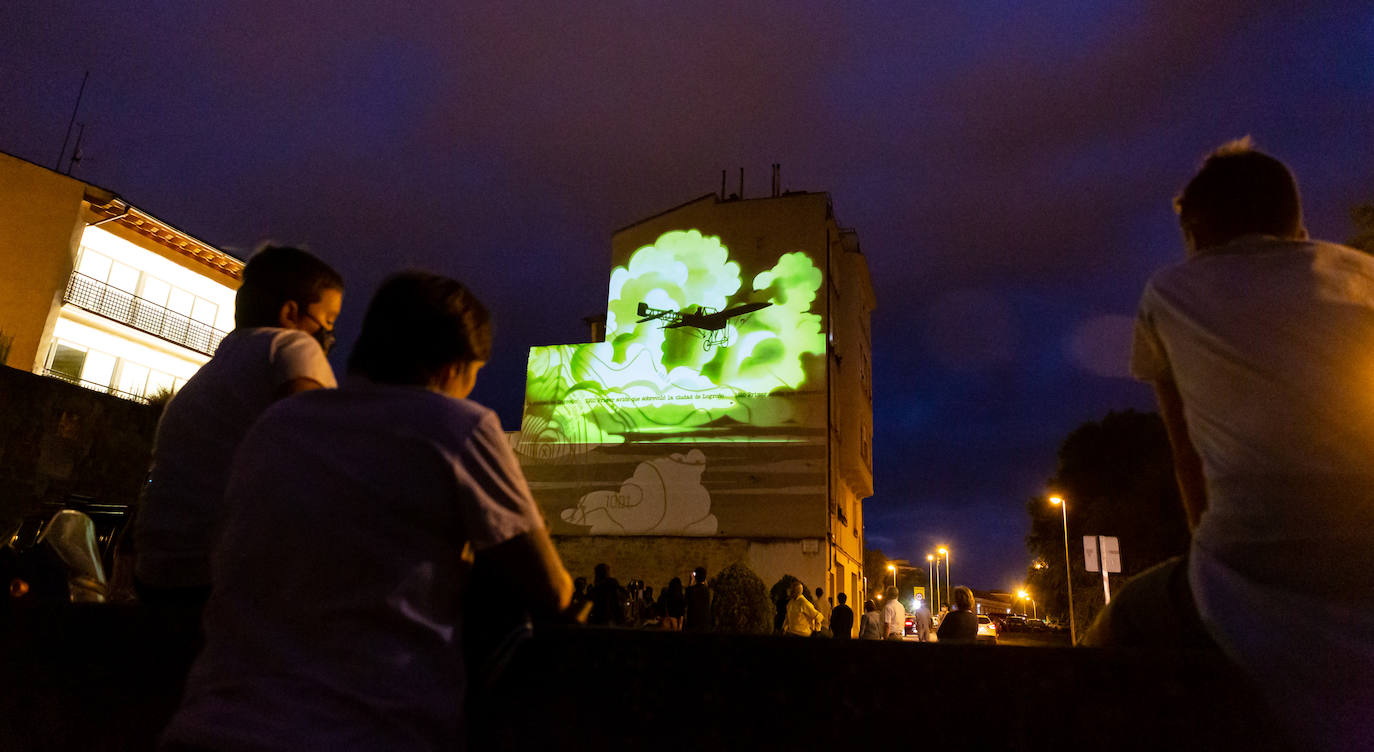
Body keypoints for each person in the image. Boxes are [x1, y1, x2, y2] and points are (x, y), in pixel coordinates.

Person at [160, 271, 573, 751]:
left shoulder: (277, 423)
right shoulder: (457, 426)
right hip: (367, 733)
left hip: (208, 727)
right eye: (474, 375)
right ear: (453, 366)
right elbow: (552, 590)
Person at [1099, 138, 1374, 749]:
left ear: (1195, 232)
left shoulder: (1169, 294)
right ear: (1295, 220)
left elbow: (1187, 456)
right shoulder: (1363, 277)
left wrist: (1209, 564)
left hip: (1247, 566)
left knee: (1110, 636)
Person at [134, 245, 343, 607]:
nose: (330, 336)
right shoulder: (292, 345)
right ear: (291, 312)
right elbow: (317, 451)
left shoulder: (212, 373)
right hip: (227, 579)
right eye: (327, 321)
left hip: (158, 577)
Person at [684, 566, 711, 632]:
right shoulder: (707, 591)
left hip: (693, 623)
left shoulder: (691, 590)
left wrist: (691, 581)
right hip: (704, 623)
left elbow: (685, 602)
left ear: (695, 577)